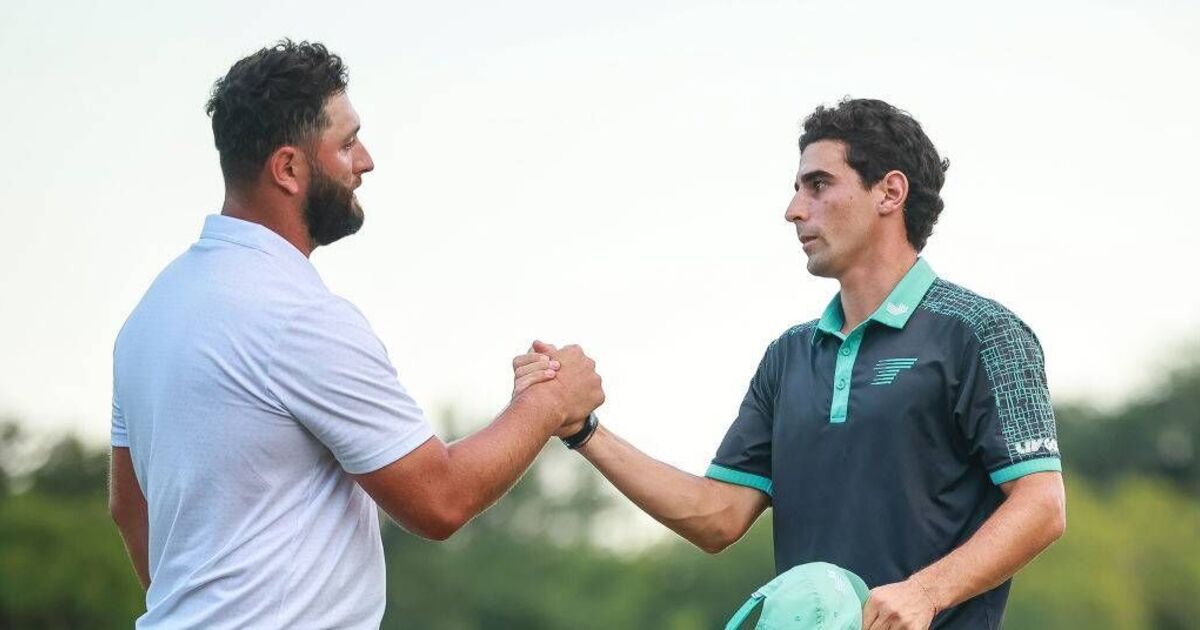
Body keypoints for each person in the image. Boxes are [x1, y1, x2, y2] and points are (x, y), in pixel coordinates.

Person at [107, 40, 603, 629]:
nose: (365, 162)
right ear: (288, 169)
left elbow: (127, 509)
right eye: (346, 144)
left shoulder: (152, 314)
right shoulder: (298, 317)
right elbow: (439, 499)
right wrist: (550, 401)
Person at [536, 98, 1066, 629]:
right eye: (797, 189)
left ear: (889, 192)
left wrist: (926, 593)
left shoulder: (983, 332)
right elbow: (718, 517)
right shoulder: (787, 356)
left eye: (818, 185)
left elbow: (1041, 504)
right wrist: (583, 429)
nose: (793, 210)